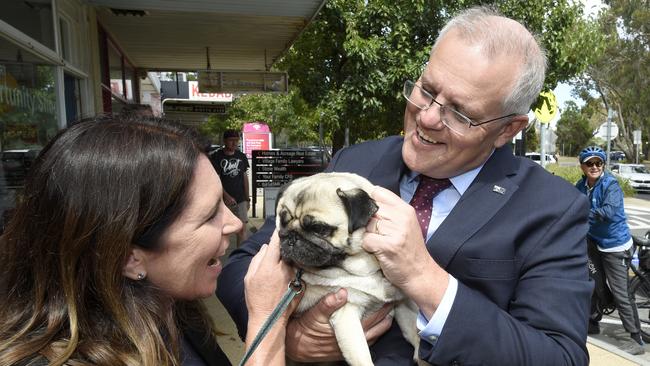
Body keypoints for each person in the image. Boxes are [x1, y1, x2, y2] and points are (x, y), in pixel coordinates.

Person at [217, 6, 592, 365]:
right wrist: (287, 333)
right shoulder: (355, 163)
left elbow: (558, 356)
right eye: (426, 90)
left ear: (508, 129)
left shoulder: (551, 207)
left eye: (460, 113)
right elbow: (239, 267)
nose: (427, 118)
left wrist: (424, 279)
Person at [0, 118, 296, 366]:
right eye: (208, 216)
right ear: (129, 258)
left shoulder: (171, 310)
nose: (235, 223)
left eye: (223, 204)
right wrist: (268, 323)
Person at [575, 146, 645, 355]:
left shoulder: (610, 184)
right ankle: (593, 321)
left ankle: (636, 339)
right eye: (590, 163)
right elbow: (570, 202)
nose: (594, 167)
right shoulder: (581, 185)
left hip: (615, 245)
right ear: (582, 166)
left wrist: (581, 212)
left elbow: (608, 211)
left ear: (603, 165)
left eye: (598, 163)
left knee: (620, 292)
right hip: (594, 241)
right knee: (592, 281)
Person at [211, 129, 250, 245]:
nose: (234, 143)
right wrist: (226, 196)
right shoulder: (217, 156)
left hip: (240, 199)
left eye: (236, 141)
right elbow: (215, 180)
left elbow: (244, 177)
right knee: (222, 230)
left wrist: (247, 198)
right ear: (224, 141)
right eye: (231, 140)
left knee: (242, 230)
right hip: (223, 200)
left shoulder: (241, 156)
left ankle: (241, 259)